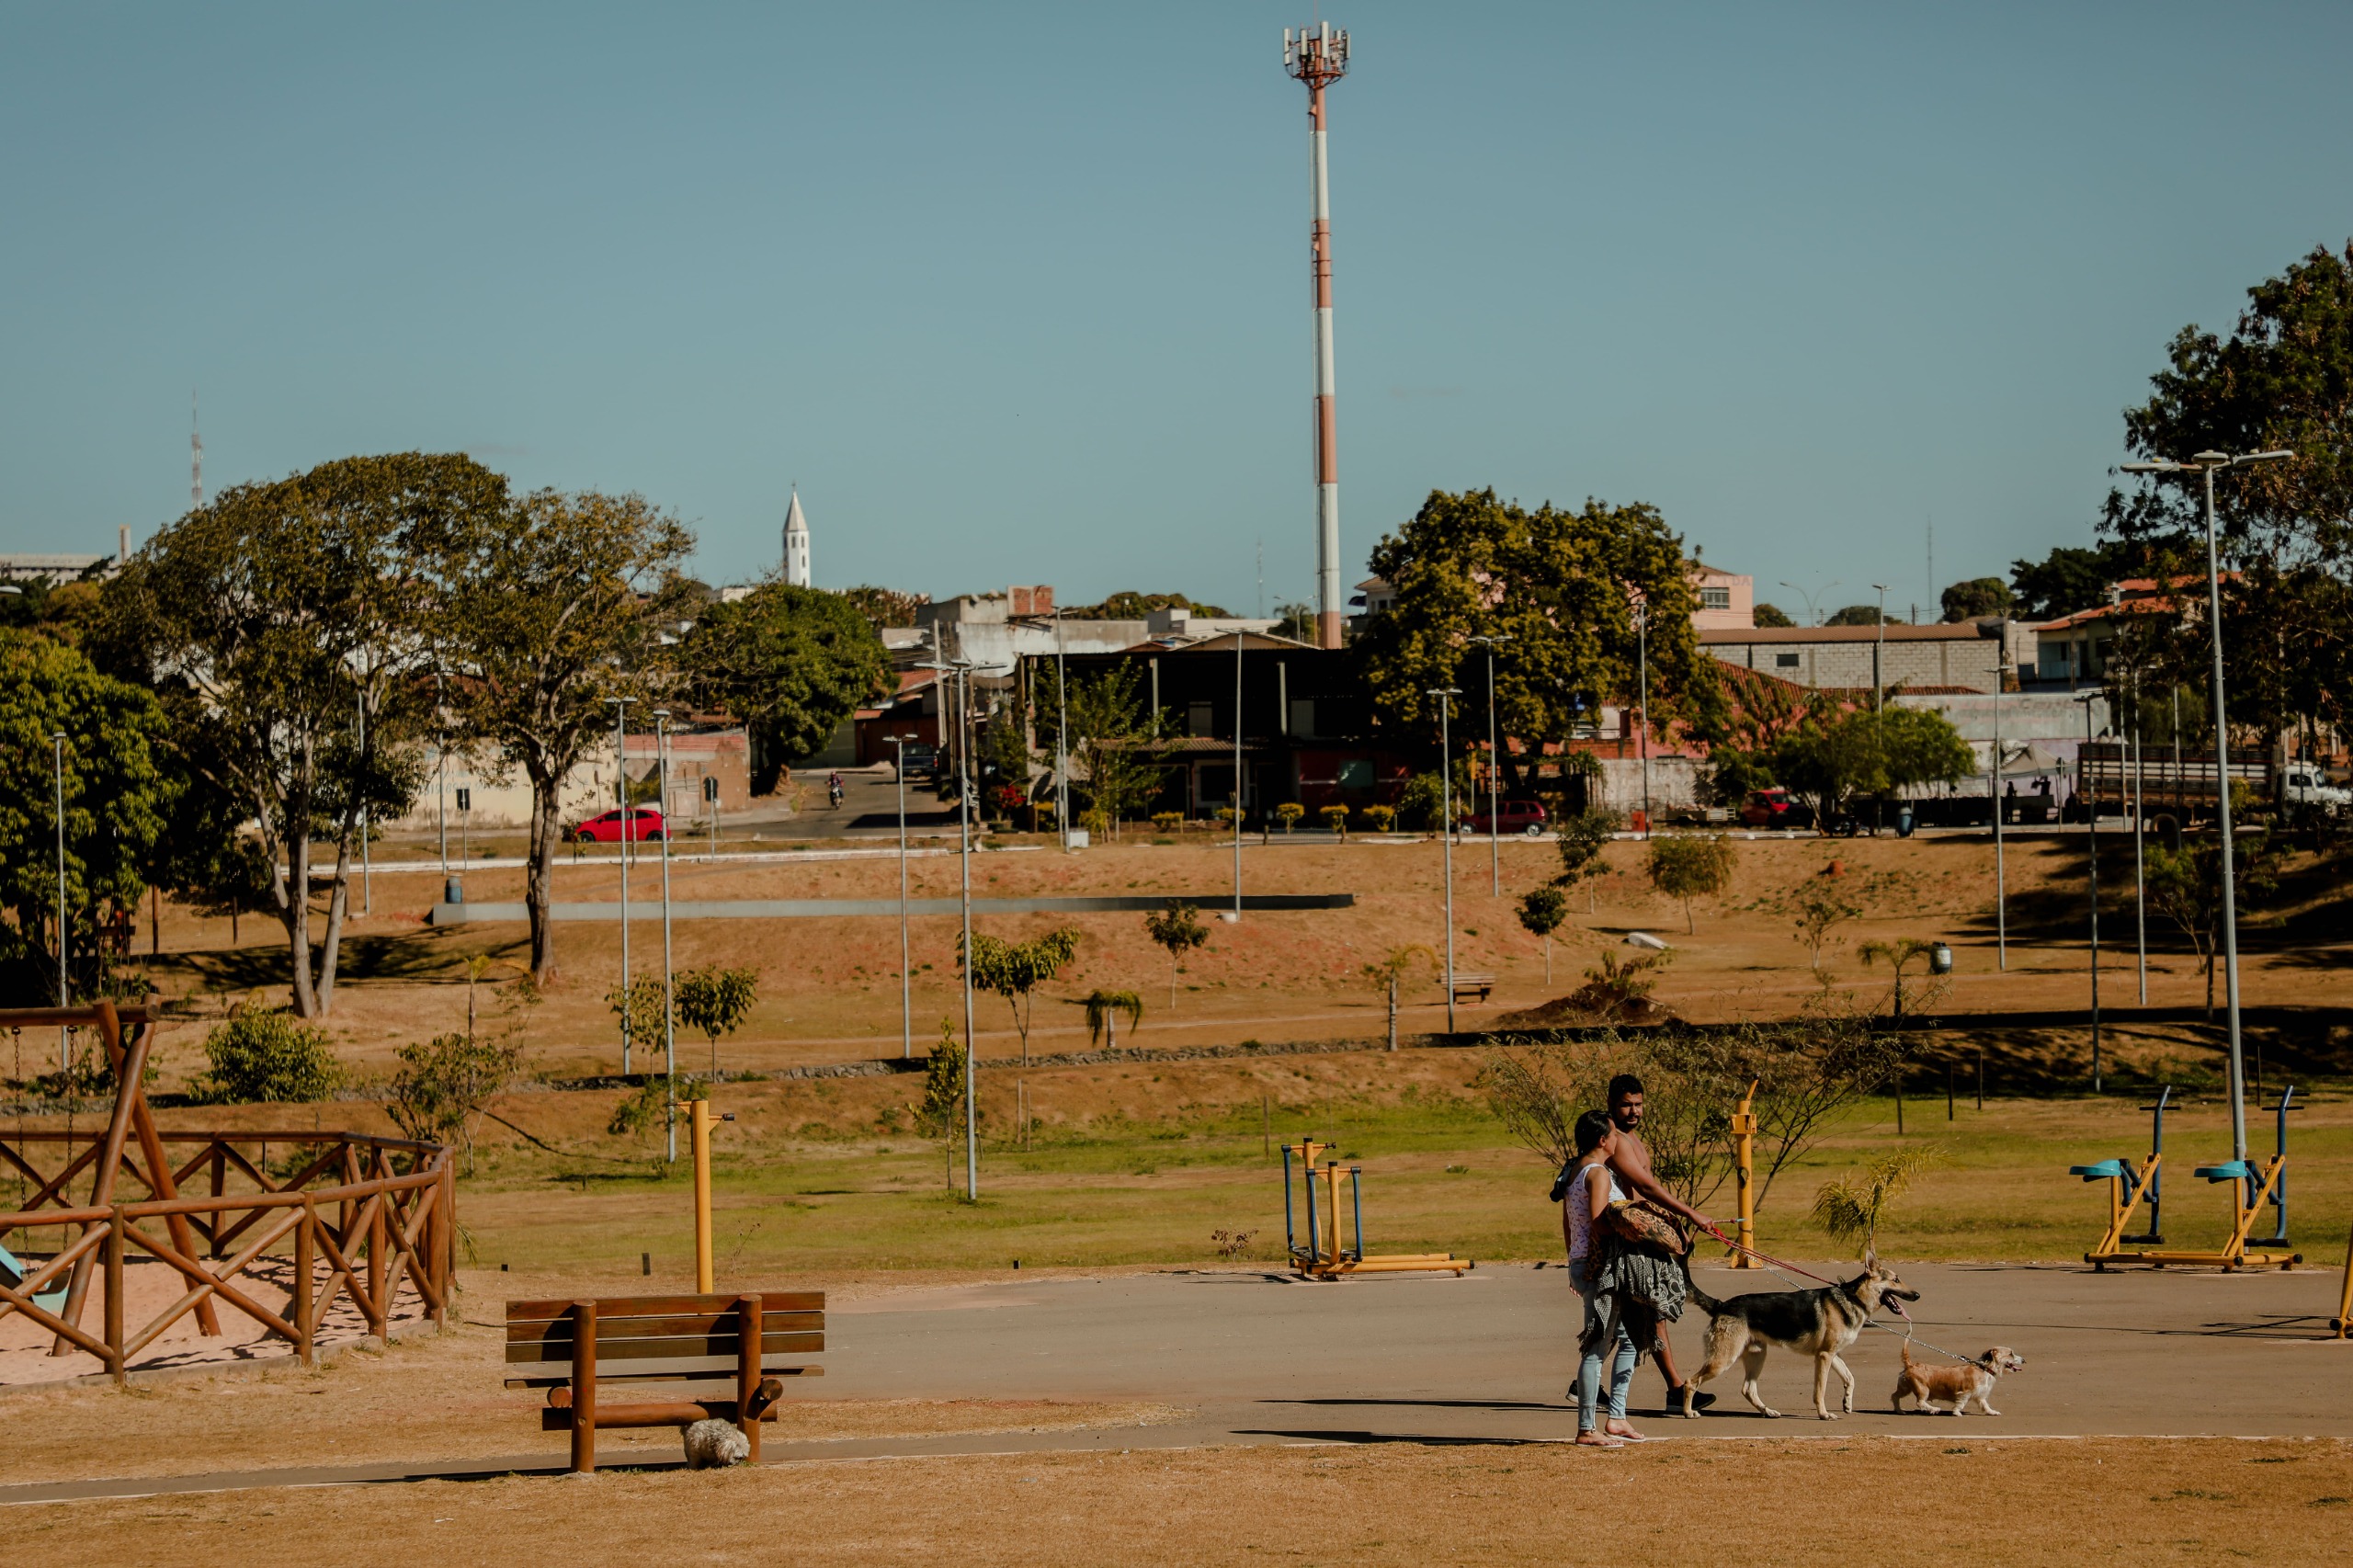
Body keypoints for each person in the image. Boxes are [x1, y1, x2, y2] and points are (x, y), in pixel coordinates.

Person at [1599, 1073, 1721, 1416]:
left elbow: (1647, 1189)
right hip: (1628, 1241)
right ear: (1611, 1103)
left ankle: (1588, 1384)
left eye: (1638, 1104)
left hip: (1646, 1234)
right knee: (1650, 1313)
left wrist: (1671, 1225)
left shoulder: (1635, 1139)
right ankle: (1675, 1390)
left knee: (1641, 1316)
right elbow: (1646, 1188)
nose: (1634, 1111)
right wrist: (1691, 1214)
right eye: (1626, 1104)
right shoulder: (1614, 1140)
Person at [1560, 1109, 1642, 1448]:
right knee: (1597, 1346)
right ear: (1602, 1140)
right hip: (1602, 1268)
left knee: (1631, 1339)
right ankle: (1586, 1429)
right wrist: (1640, 1231)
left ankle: (1617, 1418)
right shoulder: (1598, 1174)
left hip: (1587, 1265)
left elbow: (1568, 1224)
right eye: (1613, 1134)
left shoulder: (1574, 1170)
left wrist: (1573, 1262)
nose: (1618, 1140)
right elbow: (1599, 1222)